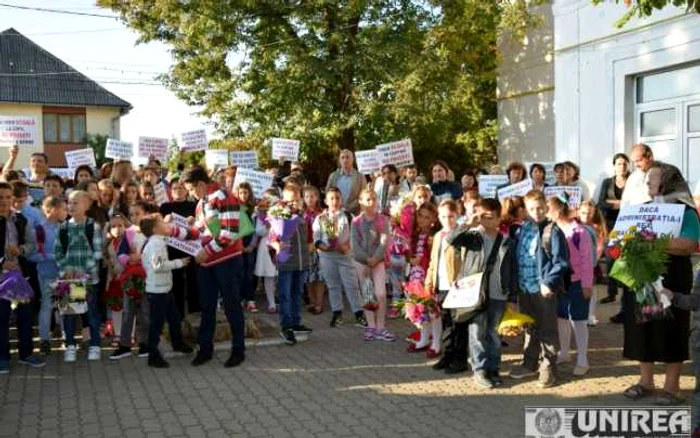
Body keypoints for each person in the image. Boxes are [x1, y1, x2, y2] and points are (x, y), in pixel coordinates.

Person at [622, 161, 699, 406]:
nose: (647, 182)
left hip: (673, 276)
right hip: (644, 275)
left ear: (666, 181)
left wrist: (653, 242)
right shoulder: (642, 208)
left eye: (652, 178)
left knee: (671, 328)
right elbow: (623, 237)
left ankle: (672, 388)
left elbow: (689, 244)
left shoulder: (685, 211)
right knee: (644, 327)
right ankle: (646, 382)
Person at [181, 165, 249, 368]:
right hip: (208, 263)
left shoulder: (224, 196)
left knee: (231, 305)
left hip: (227, 261)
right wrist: (175, 230)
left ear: (201, 184)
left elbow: (229, 233)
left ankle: (238, 350)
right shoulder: (202, 202)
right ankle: (205, 349)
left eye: (191, 189)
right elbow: (199, 231)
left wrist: (205, 252)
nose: (190, 194)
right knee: (207, 307)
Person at [449, 198, 517, 388]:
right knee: (477, 333)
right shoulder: (472, 236)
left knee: (494, 334)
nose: (486, 220)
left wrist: (512, 297)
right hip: (475, 294)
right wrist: (469, 222)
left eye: (491, 217)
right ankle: (479, 370)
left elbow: (512, 271)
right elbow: (451, 239)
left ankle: (493, 369)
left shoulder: (507, 242)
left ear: (498, 219)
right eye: (483, 216)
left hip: (498, 294)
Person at [509, 190, 570, 388]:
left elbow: (561, 262)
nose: (536, 212)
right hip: (525, 288)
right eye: (532, 208)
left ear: (546, 207)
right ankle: (529, 363)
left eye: (540, 207)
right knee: (530, 327)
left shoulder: (552, 231)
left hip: (544, 290)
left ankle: (549, 369)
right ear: (525, 210)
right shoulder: (522, 229)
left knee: (547, 330)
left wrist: (549, 282)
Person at [139, 214, 194, 368]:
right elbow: (158, 266)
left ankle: (178, 343)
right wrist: (179, 263)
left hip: (164, 288)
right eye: (162, 223)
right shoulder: (156, 244)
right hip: (158, 291)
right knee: (157, 324)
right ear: (156, 229)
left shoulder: (156, 241)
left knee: (175, 318)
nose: (166, 225)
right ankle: (153, 354)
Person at [547, 194, 594, 377]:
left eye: (548, 208)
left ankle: (583, 359)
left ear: (558, 210)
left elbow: (587, 260)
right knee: (561, 318)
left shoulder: (579, 232)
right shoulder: (551, 230)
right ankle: (565, 352)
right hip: (560, 283)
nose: (546, 212)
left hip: (577, 282)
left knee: (579, 320)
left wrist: (587, 284)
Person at [55, 190, 104, 363]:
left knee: (91, 313)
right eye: (69, 202)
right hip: (69, 280)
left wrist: (83, 270)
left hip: (89, 279)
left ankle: (95, 345)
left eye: (76, 202)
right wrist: (66, 269)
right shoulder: (63, 227)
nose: (71, 206)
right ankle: (69, 345)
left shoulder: (93, 226)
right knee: (69, 313)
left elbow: (98, 253)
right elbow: (58, 253)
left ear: (87, 205)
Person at [0, 181, 43, 373]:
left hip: (18, 276)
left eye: (8, 197)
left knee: (25, 316)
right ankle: (3, 357)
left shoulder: (21, 220)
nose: (4, 201)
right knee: (1, 318)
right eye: (0, 198)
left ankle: (26, 354)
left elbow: (32, 244)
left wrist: (20, 250)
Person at [313, 187, 367, 328]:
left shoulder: (348, 217)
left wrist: (348, 245)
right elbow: (316, 238)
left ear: (342, 200)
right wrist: (323, 247)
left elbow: (357, 236)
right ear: (325, 201)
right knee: (333, 286)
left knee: (351, 285)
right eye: (331, 198)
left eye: (337, 198)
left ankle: (359, 313)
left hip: (345, 257)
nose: (335, 201)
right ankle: (337, 313)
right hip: (327, 257)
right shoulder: (320, 218)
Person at [269, 184, 313, 345]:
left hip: (301, 263)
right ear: (283, 201)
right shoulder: (280, 217)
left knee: (297, 293)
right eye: (289, 201)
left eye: (296, 200)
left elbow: (309, 238)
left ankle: (295, 322)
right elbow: (271, 238)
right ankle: (286, 325)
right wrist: (277, 246)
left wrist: (311, 245)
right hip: (287, 263)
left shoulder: (303, 216)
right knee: (285, 295)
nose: (293, 204)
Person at [426, 200, 465, 374]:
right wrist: (429, 281)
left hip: (456, 286)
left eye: (450, 216)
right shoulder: (438, 236)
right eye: (443, 216)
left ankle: (460, 358)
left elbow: (465, 260)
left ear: (457, 215)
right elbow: (433, 261)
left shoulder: (462, 234)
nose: (447, 220)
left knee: (459, 324)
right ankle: (448, 354)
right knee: (446, 322)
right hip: (441, 285)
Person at [352, 189, 394, 342]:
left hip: (378, 262)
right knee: (368, 295)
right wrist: (365, 260)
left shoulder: (383, 220)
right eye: (368, 200)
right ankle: (371, 325)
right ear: (361, 202)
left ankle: (381, 327)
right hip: (362, 263)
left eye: (374, 199)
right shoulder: (356, 221)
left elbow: (384, 242)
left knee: (381, 294)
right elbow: (355, 244)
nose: (372, 203)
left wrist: (375, 259)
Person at [110, 201, 151, 360]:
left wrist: (140, 257)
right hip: (130, 279)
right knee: (128, 312)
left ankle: (145, 344)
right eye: (131, 214)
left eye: (137, 214)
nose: (134, 217)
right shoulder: (128, 233)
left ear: (145, 214)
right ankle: (125, 345)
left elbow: (156, 252)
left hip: (146, 278)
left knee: (145, 313)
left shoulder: (151, 232)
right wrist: (129, 259)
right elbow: (121, 254)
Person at [27, 196, 67, 355]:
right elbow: (31, 256)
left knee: (66, 306)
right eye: (63, 208)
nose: (66, 212)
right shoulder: (38, 230)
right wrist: (51, 256)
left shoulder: (65, 228)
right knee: (47, 306)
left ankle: (68, 337)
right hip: (46, 274)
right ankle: (44, 340)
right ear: (53, 209)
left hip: (65, 274)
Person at [159, 177, 199, 318]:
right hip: (173, 250)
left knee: (193, 280)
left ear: (186, 190)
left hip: (191, 249)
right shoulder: (165, 207)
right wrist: (165, 220)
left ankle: (195, 312)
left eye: (181, 187)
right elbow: (160, 227)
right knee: (176, 282)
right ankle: (178, 314)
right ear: (170, 190)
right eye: (175, 188)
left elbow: (201, 225)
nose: (178, 190)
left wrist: (194, 220)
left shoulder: (194, 205)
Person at [597, 153, 629, 306]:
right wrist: (620, 203)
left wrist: (616, 202)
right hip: (610, 225)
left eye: (624, 163)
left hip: (629, 225)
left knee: (626, 260)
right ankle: (611, 292)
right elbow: (601, 203)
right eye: (618, 164)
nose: (621, 166)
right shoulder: (607, 182)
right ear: (614, 166)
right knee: (611, 259)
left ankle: (626, 296)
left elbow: (635, 202)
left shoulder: (633, 181)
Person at [254, 189, 279, 313]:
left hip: (280, 245)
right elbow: (258, 231)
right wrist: (266, 227)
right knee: (269, 275)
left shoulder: (281, 213)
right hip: (266, 246)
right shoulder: (261, 216)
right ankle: (271, 303)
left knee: (280, 275)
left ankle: (280, 299)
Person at [236, 182, 259, 313]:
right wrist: (239, 245)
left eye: (245, 192)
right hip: (238, 246)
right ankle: (239, 298)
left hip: (250, 245)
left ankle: (250, 299)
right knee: (239, 273)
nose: (243, 195)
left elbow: (257, 229)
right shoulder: (234, 208)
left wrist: (251, 245)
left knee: (249, 274)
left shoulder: (254, 209)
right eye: (240, 192)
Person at [303, 185, 324, 314]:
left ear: (317, 197)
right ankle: (311, 301)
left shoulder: (322, 213)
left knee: (320, 277)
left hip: (319, 249)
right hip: (306, 248)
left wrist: (317, 245)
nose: (309, 199)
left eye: (312, 196)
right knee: (309, 276)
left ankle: (319, 303)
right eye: (306, 196)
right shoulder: (301, 214)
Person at [326, 150, 367, 215]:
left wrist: (347, 208)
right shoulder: (333, 176)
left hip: (354, 214)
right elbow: (327, 193)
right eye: (342, 157)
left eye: (347, 157)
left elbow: (363, 196)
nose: (345, 160)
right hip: (335, 213)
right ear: (339, 160)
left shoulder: (360, 177)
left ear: (353, 159)